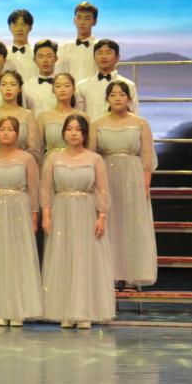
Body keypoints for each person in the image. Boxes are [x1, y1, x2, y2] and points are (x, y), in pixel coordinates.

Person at [41, 114, 115, 329]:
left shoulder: (95, 159)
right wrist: (46, 214)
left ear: (84, 134)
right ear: (63, 132)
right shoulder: (53, 158)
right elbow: (45, 188)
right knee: (62, 256)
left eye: (78, 130)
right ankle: (64, 311)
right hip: (61, 210)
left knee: (85, 258)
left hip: (86, 211)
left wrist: (102, 216)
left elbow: (102, 190)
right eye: (69, 129)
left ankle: (84, 312)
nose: (73, 133)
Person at [0, 116, 43, 327]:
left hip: (19, 208)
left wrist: (34, 213)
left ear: (18, 134)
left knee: (19, 256)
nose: (6, 133)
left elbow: (33, 189)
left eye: (10, 129)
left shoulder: (27, 159)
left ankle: (19, 310)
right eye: (2, 129)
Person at [89, 81, 157, 288]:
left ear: (128, 98)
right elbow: (91, 155)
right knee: (110, 221)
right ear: (107, 99)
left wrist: (145, 184)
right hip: (106, 175)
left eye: (121, 94)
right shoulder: (97, 124)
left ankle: (132, 273)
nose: (117, 98)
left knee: (132, 222)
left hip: (133, 177)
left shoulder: (141, 123)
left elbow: (147, 156)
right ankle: (110, 273)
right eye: (113, 94)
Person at [0, 70, 42, 164]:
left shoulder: (28, 115)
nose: (8, 88)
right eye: (4, 84)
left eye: (13, 84)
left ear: (19, 88)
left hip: (21, 165)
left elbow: (34, 150)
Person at [76, 39, 139, 121]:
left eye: (108, 53)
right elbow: (79, 117)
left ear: (117, 57)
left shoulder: (129, 85)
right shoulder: (82, 85)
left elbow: (133, 115)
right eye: (99, 53)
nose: (103, 56)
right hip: (92, 128)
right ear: (94, 57)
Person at [37, 73, 85, 165]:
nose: (63, 90)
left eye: (67, 86)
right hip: (51, 163)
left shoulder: (82, 116)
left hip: (77, 164)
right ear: (53, 90)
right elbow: (38, 148)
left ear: (74, 89)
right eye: (58, 86)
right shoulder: (43, 116)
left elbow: (87, 146)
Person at [56, 0, 99, 83]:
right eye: (79, 18)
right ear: (74, 20)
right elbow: (57, 74)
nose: (82, 22)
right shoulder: (63, 47)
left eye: (87, 18)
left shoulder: (100, 48)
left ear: (94, 22)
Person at [24, 39, 60, 117]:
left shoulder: (63, 84)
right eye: (41, 56)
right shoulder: (26, 86)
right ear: (34, 60)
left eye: (49, 56)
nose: (45, 60)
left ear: (56, 59)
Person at [3, 9, 37, 83]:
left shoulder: (37, 54)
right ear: (9, 28)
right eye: (15, 25)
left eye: (23, 25)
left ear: (30, 27)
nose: (19, 29)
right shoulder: (3, 54)